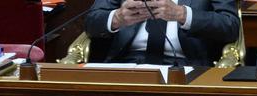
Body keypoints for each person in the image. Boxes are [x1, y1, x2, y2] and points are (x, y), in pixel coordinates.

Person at [84, 0, 239, 67]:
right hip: (125, 64)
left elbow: (230, 25)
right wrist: (117, 18)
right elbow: (91, 23)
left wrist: (184, 15)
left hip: (187, 65)